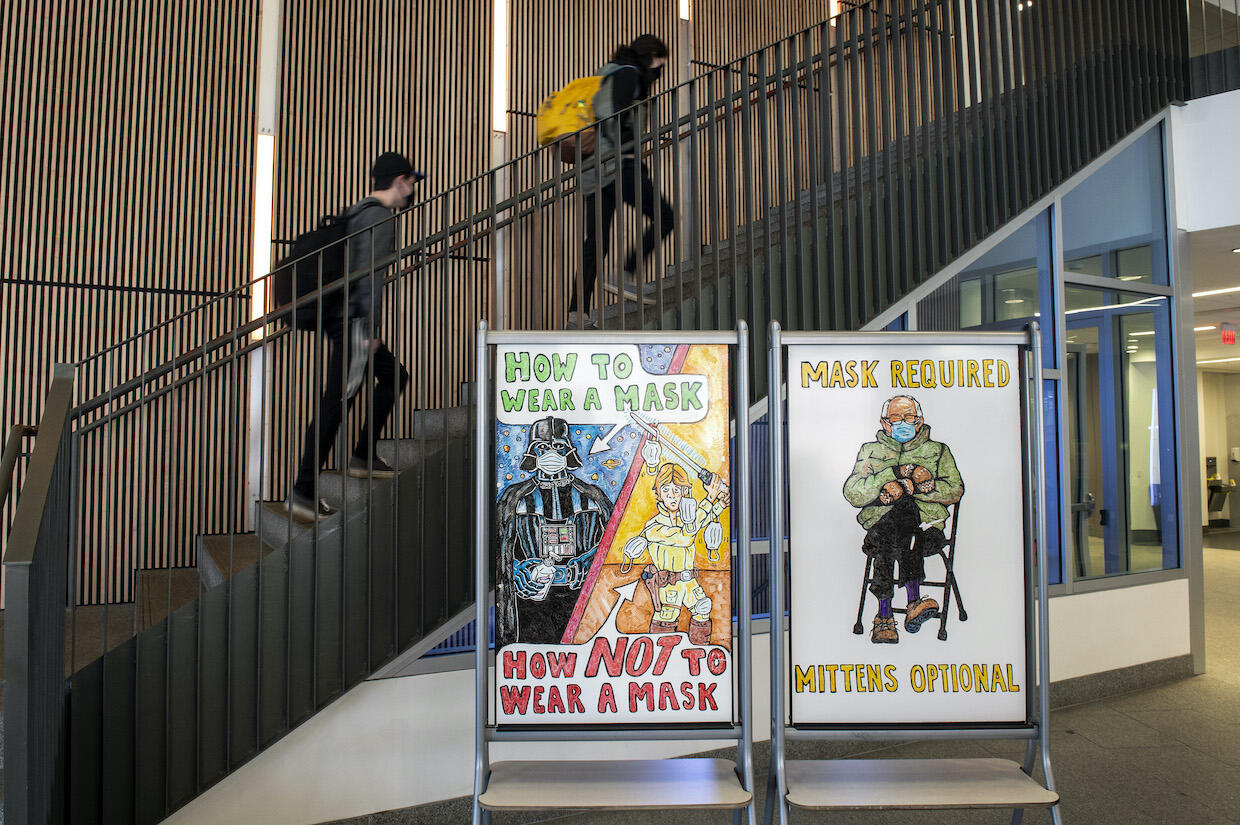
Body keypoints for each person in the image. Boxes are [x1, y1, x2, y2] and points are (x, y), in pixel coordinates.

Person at [286, 152, 419, 522]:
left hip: (344, 318)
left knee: (394, 376)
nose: (412, 190)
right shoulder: (379, 217)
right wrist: (369, 331)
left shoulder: (356, 211)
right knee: (336, 400)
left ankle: (362, 456)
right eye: (411, 181)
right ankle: (304, 490)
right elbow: (369, 276)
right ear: (399, 181)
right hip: (354, 322)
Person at [568, 34, 675, 329]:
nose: (660, 73)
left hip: (592, 167)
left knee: (595, 242)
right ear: (651, 55)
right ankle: (626, 272)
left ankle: (577, 315)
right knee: (665, 217)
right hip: (616, 165)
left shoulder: (608, 70)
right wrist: (630, 153)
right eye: (660, 65)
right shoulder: (629, 73)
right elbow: (613, 112)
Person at [842, 395, 964, 644]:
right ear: (885, 423)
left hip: (926, 531)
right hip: (883, 528)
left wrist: (915, 488)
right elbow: (852, 492)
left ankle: (884, 617)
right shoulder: (871, 451)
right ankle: (913, 601)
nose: (903, 423)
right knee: (892, 524)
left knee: (898, 519)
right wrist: (895, 475)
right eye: (896, 418)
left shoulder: (938, 451)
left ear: (919, 421)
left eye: (908, 417)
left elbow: (955, 489)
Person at [496, 417, 614, 644]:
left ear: (568, 450)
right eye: (543, 447)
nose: (551, 453)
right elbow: (502, 551)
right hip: (531, 606)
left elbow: (614, 544)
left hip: (583, 602)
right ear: (533, 452)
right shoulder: (514, 499)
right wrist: (518, 571)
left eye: (558, 446)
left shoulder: (593, 497)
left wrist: (587, 564)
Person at [622, 445, 729, 644]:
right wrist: (709, 499)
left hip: (689, 582)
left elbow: (697, 523)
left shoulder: (688, 520)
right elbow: (685, 537)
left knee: (703, 608)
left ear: (685, 492)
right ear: (659, 494)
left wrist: (720, 503)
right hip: (668, 585)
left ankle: (699, 656)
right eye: (666, 489)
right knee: (666, 620)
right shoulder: (653, 527)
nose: (672, 495)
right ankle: (660, 662)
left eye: (677, 490)